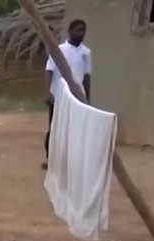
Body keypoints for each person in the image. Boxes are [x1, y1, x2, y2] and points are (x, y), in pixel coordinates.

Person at [43, 19, 91, 169]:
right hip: (58, 96)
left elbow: (87, 76)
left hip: (77, 98)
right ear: (70, 31)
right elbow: (49, 70)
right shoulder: (59, 49)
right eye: (78, 30)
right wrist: (48, 92)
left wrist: (86, 97)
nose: (81, 33)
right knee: (55, 128)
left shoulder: (86, 52)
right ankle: (51, 160)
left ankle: (70, 162)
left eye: (83, 30)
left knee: (74, 130)